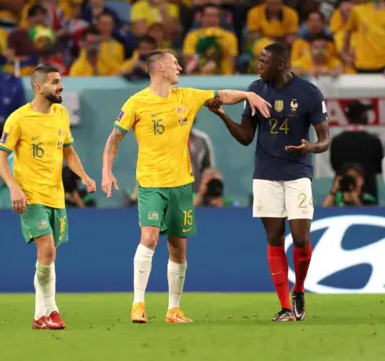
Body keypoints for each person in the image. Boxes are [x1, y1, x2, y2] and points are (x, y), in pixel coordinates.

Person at [101, 49, 270, 324]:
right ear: (159, 67)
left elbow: (221, 96)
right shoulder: (136, 102)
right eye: (174, 63)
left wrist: (248, 95)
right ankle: (138, 304)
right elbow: (113, 139)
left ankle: (173, 309)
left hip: (181, 185)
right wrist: (107, 171)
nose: (179, 66)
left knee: (178, 249)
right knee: (150, 237)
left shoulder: (187, 96)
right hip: (151, 183)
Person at [209, 43, 330, 322]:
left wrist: (309, 148)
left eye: (264, 61)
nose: (259, 65)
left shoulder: (309, 93)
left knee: (300, 239)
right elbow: (245, 137)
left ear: (281, 65)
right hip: (265, 173)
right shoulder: (255, 90)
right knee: (274, 237)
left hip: (298, 172)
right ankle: (286, 306)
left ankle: (299, 289)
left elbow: (325, 139)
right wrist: (222, 115)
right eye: (259, 60)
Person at [0, 65, 96, 330]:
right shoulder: (18, 119)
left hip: (56, 196)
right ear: (39, 87)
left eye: (61, 81)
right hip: (30, 196)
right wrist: (14, 188)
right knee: (48, 250)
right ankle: (52, 311)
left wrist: (84, 176)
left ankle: (40, 316)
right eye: (55, 82)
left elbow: (69, 152)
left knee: (47, 256)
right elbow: (0, 158)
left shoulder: (61, 114)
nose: (61, 86)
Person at [330, 101, 383, 203]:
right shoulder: (373, 141)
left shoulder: (337, 141)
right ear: (362, 115)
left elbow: (335, 166)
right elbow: (379, 168)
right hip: (368, 193)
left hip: (342, 194)